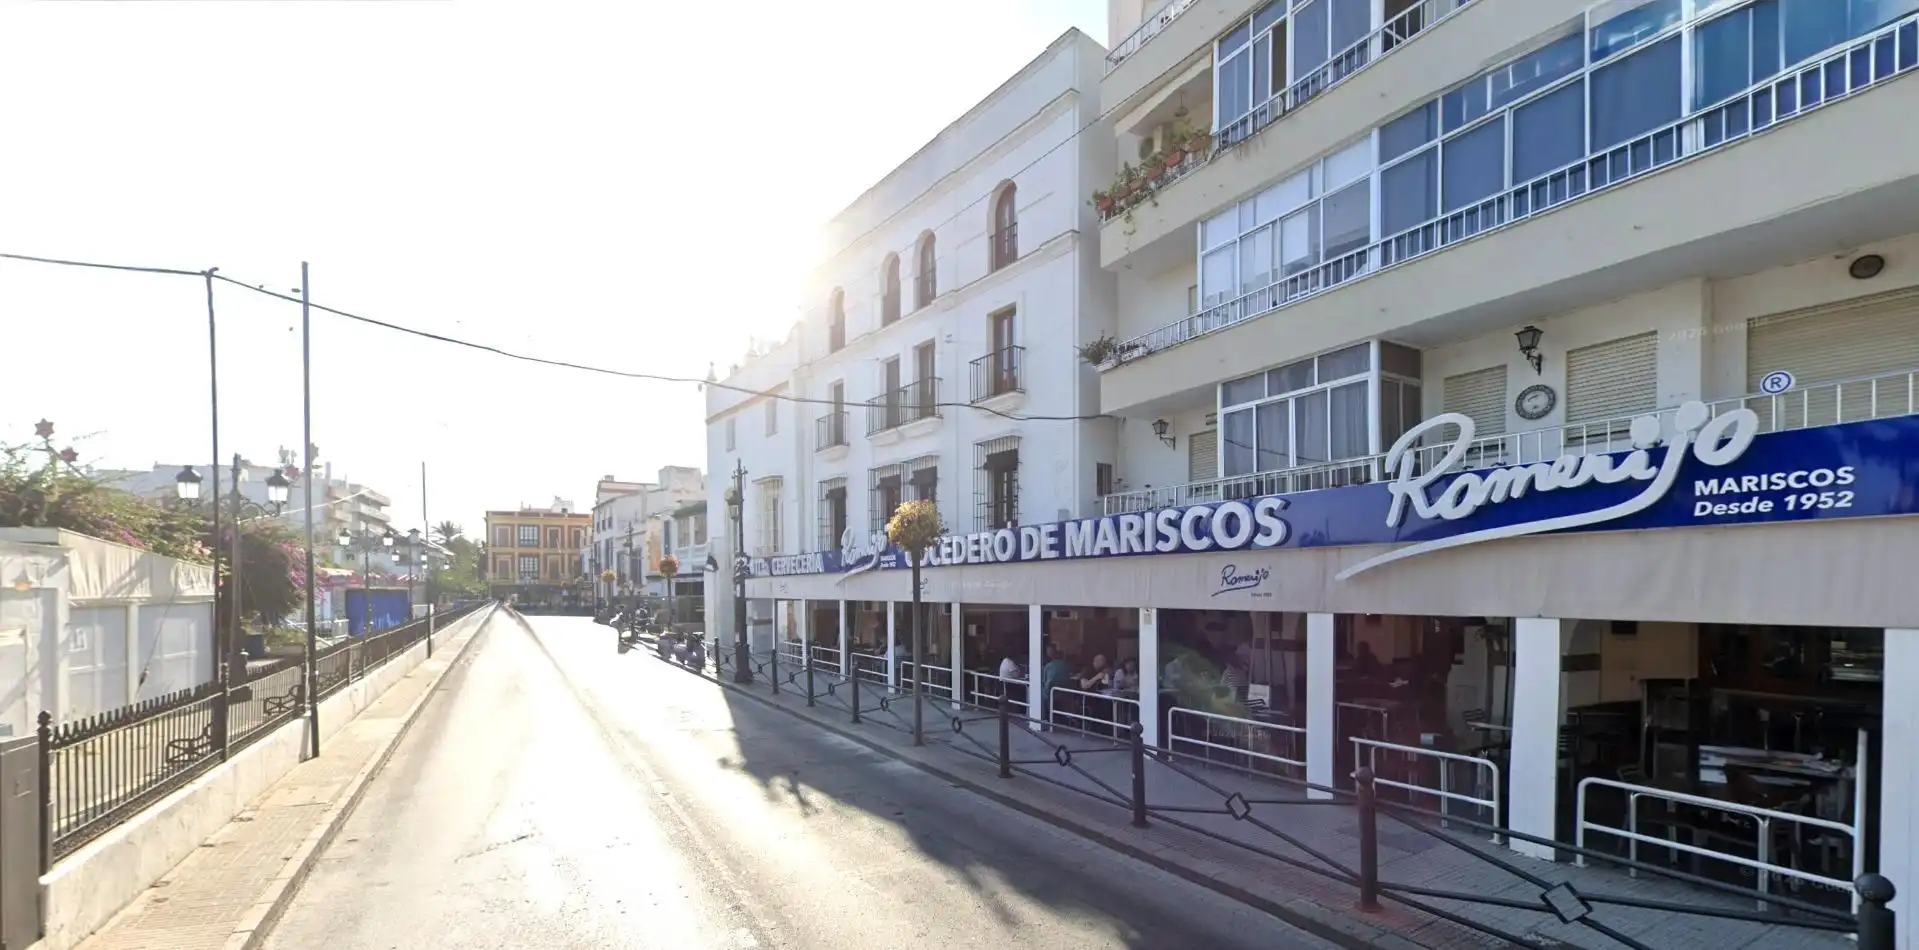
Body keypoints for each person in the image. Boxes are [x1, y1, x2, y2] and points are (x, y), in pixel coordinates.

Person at [1038, 645, 1073, 726]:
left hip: (1051, 694)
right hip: (1065, 694)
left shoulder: (1048, 666)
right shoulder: (1066, 665)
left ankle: (1043, 718)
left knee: (1036, 692)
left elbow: (1043, 680)